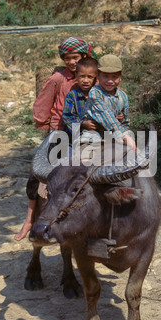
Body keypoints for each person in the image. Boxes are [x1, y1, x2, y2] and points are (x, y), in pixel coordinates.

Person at [15, 37, 97, 241]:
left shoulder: (91, 76)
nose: (71, 62)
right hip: (60, 130)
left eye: (75, 57)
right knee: (37, 170)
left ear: (84, 57)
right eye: (67, 58)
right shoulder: (57, 79)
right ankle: (29, 219)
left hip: (87, 132)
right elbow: (42, 105)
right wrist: (46, 127)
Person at [81, 54, 136, 150]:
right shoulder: (95, 92)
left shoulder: (123, 96)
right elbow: (105, 114)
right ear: (98, 76)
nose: (110, 81)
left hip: (116, 132)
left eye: (114, 77)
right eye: (105, 76)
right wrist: (123, 136)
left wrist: (123, 124)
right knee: (86, 153)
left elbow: (125, 122)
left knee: (132, 147)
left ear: (120, 77)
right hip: (94, 132)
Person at [62, 57, 99, 136]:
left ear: (96, 77)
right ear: (76, 75)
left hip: (99, 135)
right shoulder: (72, 96)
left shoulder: (100, 95)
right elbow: (67, 118)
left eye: (90, 77)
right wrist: (82, 124)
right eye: (82, 76)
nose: (85, 81)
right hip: (77, 137)